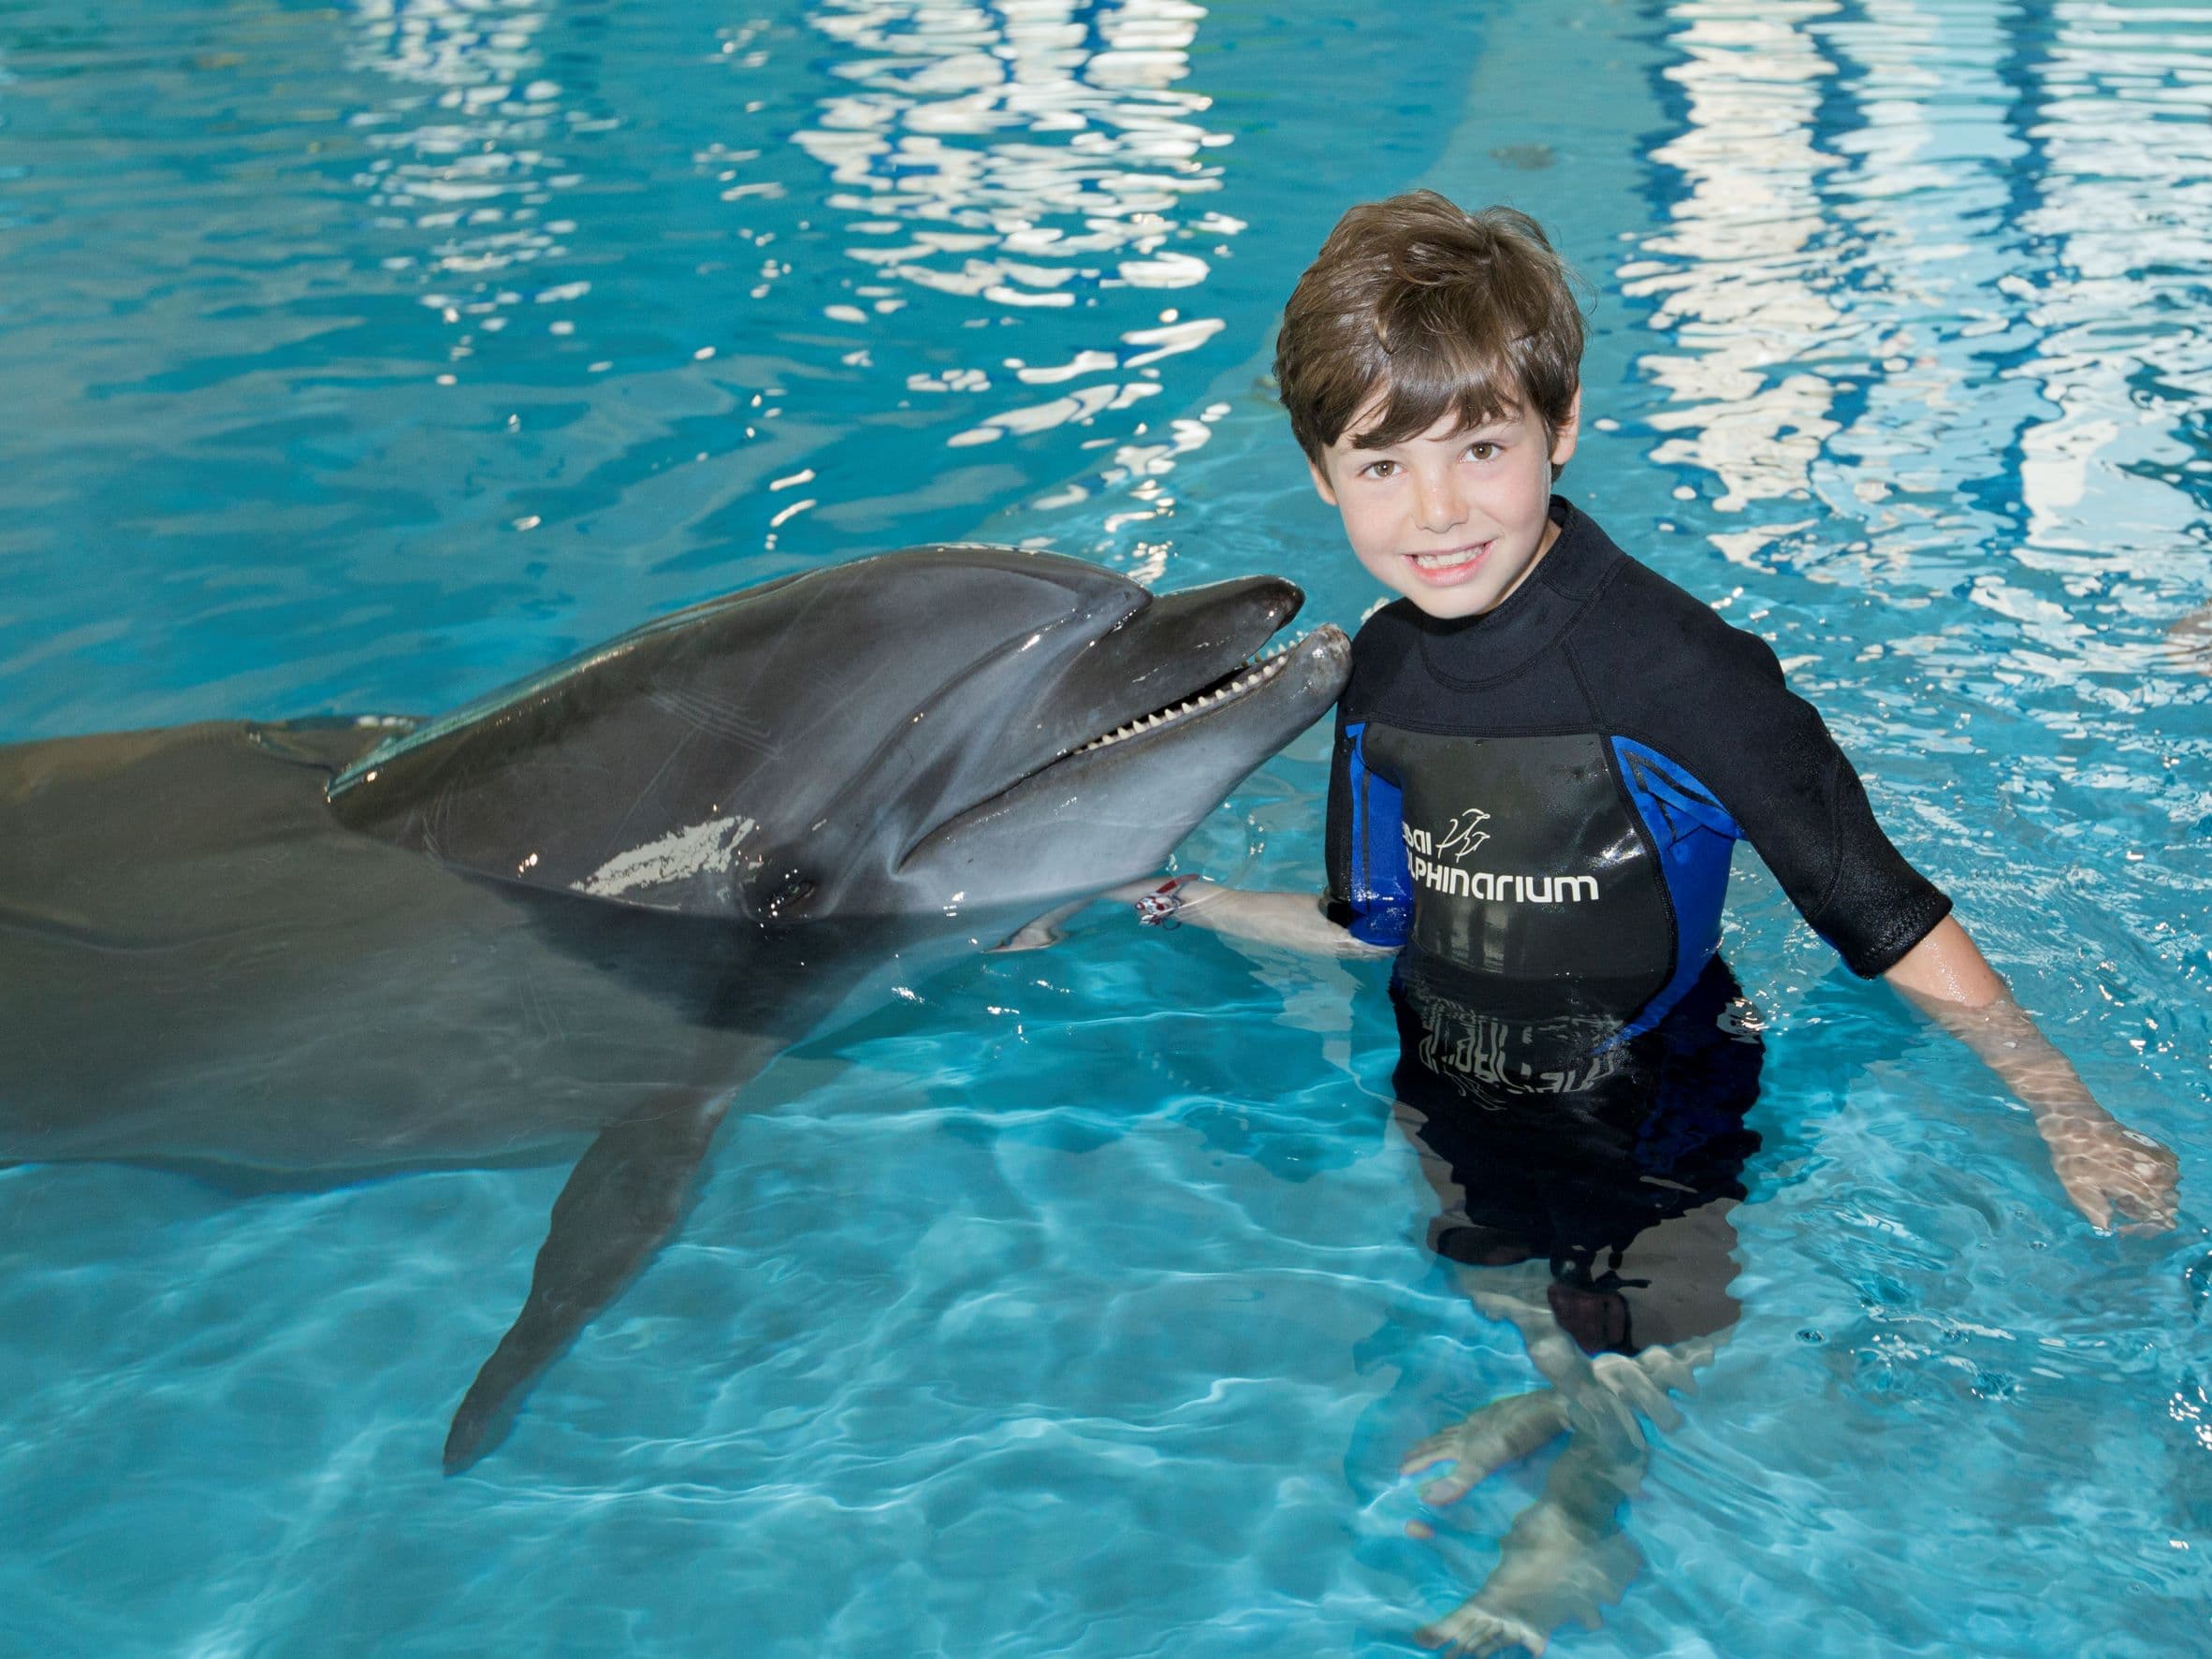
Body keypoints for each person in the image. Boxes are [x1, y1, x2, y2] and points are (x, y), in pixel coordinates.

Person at [1118, 192, 2180, 1657]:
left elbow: (1880, 910)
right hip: (1453, 1080)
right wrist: (1166, 898)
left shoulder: (1686, 673)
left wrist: (2066, 1109)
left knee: (1656, 1345)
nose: (1436, 514)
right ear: (1323, 474)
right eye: (1384, 464)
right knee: (1506, 1286)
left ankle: (1579, 1535)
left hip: (1653, 1088)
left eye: (1480, 449)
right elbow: (1375, 923)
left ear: (1562, 428)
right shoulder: (1377, 674)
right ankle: (1561, 1383)